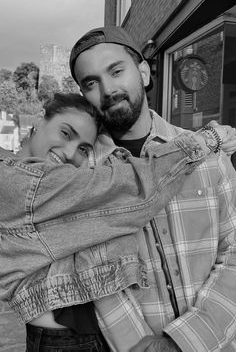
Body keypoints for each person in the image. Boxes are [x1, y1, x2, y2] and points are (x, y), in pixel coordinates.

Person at [0, 92, 225, 351]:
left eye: (84, 148)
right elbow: (132, 193)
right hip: (65, 342)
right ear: (40, 119)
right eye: (66, 133)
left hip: (84, 334)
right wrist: (206, 141)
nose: (70, 153)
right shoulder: (20, 183)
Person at [68, 26, 236, 351]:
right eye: (91, 83)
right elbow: (97, 277)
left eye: (116, 70)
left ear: (143, 71)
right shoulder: (81, 180)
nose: (108, 89)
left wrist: (182, 341)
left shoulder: (207, 155)